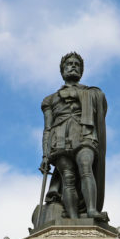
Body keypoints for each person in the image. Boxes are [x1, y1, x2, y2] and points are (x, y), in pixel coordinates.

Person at [41, 51, 108, 222]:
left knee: (86, 166)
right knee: (68, 177)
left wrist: (79, 94)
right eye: (69, 64)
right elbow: (47, 128)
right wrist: (45, 155)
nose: (73, 66)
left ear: (81, 71)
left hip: (84, 132)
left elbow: (101, 106)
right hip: (60, 136)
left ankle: (92, 210)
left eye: (77, 64)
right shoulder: (49, 99)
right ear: (62, 70)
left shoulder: (91, 92)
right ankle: (72, 217)